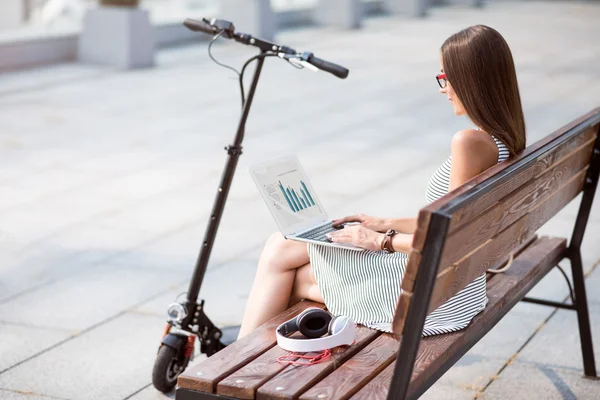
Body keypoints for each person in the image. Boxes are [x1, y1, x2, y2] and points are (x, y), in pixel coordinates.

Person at [237, 24, 526, 338]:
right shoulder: (505, 139)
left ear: (470, 80)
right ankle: (240, 362)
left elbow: (452, 238)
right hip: (458, 288)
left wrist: (379, 241)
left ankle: (228, 367)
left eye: (445, 77)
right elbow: (449, 223)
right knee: (290, 263)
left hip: (437, 299)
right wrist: (382, 222)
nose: (443, 88)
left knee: (282, 252)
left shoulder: (469, 142)